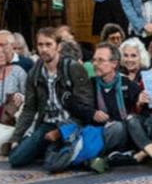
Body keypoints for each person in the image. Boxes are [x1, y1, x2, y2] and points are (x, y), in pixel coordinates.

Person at [8, 27, 99, 167]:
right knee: (15, 158)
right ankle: (50, 147)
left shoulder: (73, 68)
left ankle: (59, 148)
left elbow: (86, 106)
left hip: (71, 122)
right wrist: (16, 138)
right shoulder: (34, 73)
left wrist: (61, 131)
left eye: (48, 44)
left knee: (53, 164)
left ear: (59, 46)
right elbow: (29, 108)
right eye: (40, 45)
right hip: (47, 123)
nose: (44, 49)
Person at [91, 43, 152, 172]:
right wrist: (93, 113)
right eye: (94, 60)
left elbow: (143, 111)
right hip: (109, 130)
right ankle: (138, 156)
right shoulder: (91, 84)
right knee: (119, 126)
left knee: (129, 121)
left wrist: (139, 103)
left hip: (133, 127)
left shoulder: (133, 80)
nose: (95, 64)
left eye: (100, 60)